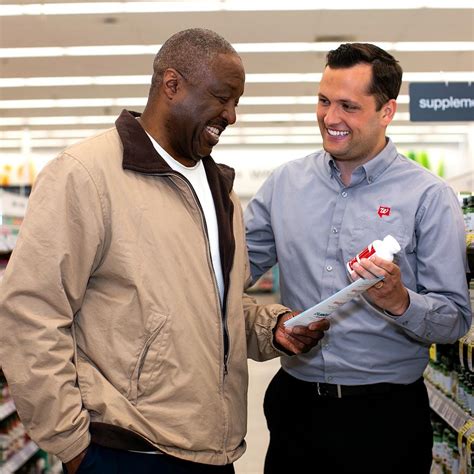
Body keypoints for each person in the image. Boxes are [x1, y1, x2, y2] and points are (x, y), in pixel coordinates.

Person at [0, 28, 328, 474]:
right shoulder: (86, 175)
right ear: (171, 85)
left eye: (237, 102)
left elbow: (211, 305)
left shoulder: (219, 190)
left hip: (212, 448)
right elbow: (30, 312)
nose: (230, 115)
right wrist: (71, 444)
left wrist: (273, 328)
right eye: (221, 97)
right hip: (125, 449)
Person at [244, 43, 472, 474]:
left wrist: (400, 301)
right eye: (324, 101)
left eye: (348, 106)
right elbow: (228, 269)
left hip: (384, 416)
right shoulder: (286, 184)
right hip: (295, 403)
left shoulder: (428, 197)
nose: (330, 118)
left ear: (386, 111)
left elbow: (455, 318)